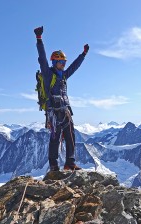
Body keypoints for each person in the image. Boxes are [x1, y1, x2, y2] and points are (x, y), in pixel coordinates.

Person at [34, 26, 89, 171]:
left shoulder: (63, 76)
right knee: (55, 138)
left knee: (70, 136)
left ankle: (69, 163)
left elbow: (74, 67)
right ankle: (53, 165)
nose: (64, 65)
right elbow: (42, 59)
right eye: (61, 62)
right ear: (54, 62)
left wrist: (83, 55)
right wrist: (39, 39)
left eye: (64, 62)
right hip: (54, 112)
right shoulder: (48, 74)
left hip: (65, 112)